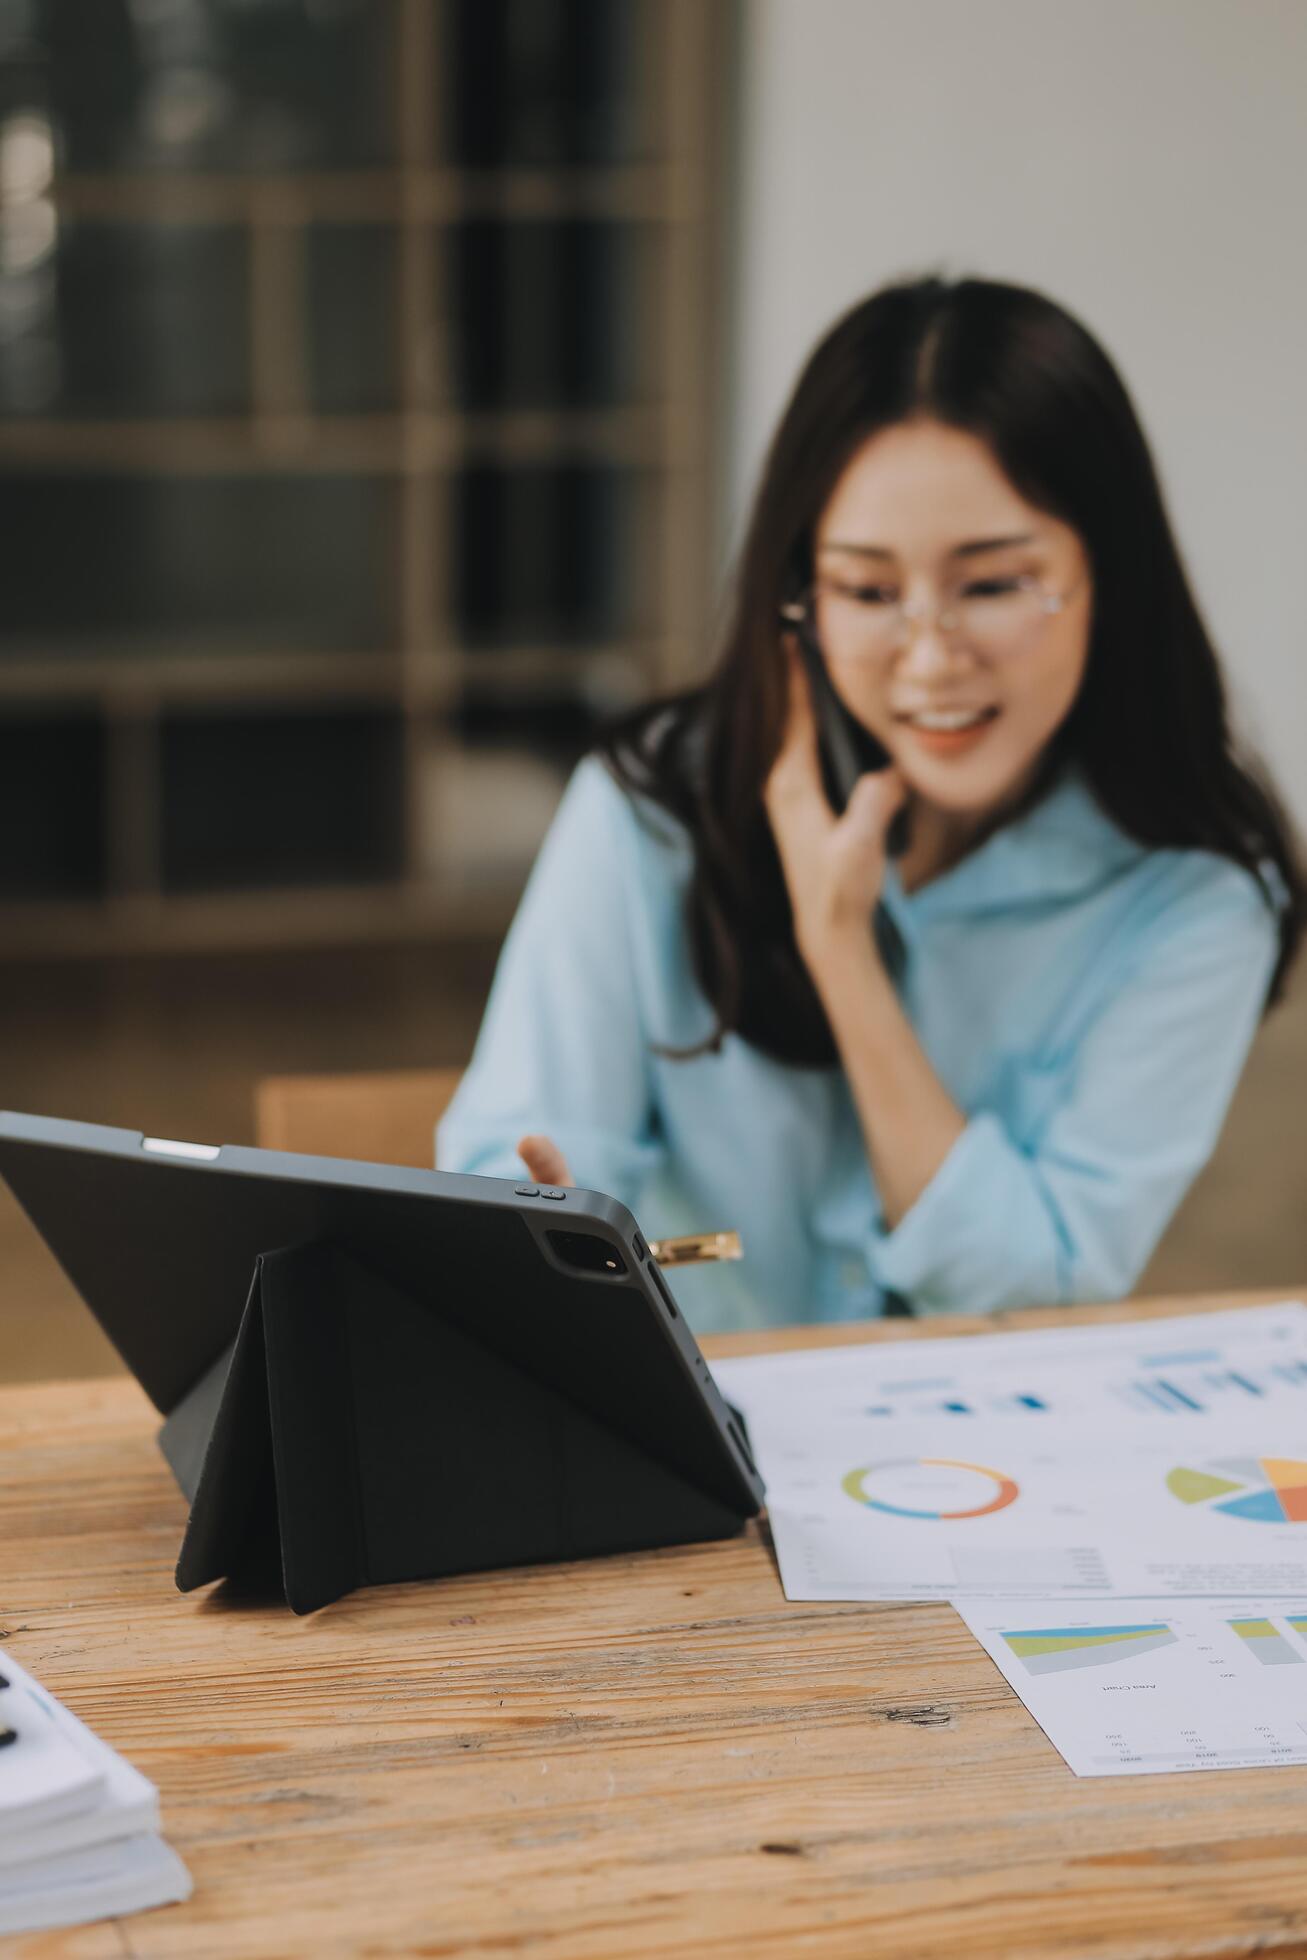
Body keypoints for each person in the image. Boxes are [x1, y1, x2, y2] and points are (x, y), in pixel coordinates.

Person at [437, 273, 1303, 1332]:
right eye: (866, 590)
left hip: (992, 1454)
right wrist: (535, 1218)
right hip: (682, 1438)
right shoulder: (649, 808)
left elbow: (1040, 1291)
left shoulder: (1195, 892)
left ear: (1106, 578)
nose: (930, 658)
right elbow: (518, 1187)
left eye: (989, 584)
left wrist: (842, 955)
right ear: (798, 600)